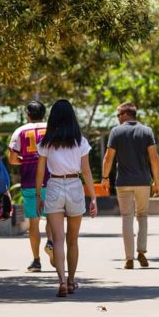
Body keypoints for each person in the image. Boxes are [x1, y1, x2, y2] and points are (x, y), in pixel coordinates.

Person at [36, 99, 98, 298]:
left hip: (54, 185)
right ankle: (71, 281)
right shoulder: (80, 141)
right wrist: (94, 197)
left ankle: (61, 281)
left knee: (58, 239)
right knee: (73, 240)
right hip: (74, 186)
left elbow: (40, 172)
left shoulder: (46, 143)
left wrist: (38, 195)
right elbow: (86, 171)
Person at [101, 101, 159, 269]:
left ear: (126, 114)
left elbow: (108, 157)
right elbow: (154, 158)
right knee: (142, 215)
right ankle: (141, 252)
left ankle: (129, 258)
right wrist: (156, 181)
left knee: (127, 217)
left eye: (118, 115)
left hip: (124, 182)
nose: (117, 118)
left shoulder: (116, 132)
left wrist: (105, 177)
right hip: (143, 181)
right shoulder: (146, 131)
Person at [8, 100, 54, 271]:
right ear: (44, 113)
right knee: (51, 217)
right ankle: (51, 243)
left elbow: (12, 159)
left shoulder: (19, 131)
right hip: (51, 179)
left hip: (29, 181)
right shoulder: (52, 129)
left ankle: (36, 261)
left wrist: (26, 160)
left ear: (28, 114)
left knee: (33, 223)